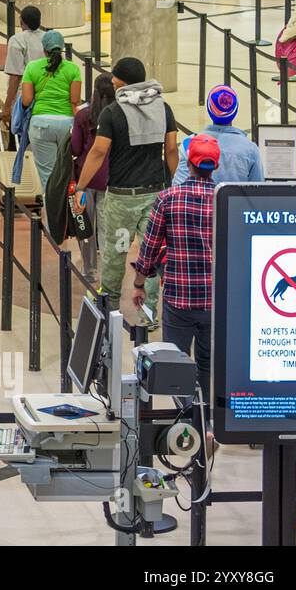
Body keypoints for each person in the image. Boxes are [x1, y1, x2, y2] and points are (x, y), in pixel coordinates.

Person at [73, 56, 179, 320]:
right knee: (151, 253)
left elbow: (98, 152)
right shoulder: (163, 109)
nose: (112, 79)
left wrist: (81, 186)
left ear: (121, 81)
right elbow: (172, 149)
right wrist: (175, 185)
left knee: (116, 251)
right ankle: (150, 314)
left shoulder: (113, 112)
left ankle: (108, 305)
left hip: (122, 198)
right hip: (156, 194)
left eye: (115, 76)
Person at [132, 133, 219, 424]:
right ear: (213, 166)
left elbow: (150, 246)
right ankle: (204, 422)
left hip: (178, 300)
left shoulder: (168, 199)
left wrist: (139, 283)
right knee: (207, 364)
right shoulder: (224, 199)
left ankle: (185, 421)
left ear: (188, 163)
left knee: (178, 363)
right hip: (214, 302)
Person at [21, 31, 82, 189]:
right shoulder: (73, 69)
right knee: (65, 174)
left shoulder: (32, 67)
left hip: (40, 124)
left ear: (44, 49)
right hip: (67, 125)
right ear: (62, 49)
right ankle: (66, 211)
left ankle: (50, 212)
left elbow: (26, 100)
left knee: (47, 176)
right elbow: (75, 101)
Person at [173, 85, 265, 186]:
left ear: (209, 109)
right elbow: (258, 191)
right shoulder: (250, 149)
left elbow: (178, 186)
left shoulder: (189, 143)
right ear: (235, 110)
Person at [71, 73, 114, 284]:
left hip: (85, 179)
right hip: (110, 180)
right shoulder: (117, 115)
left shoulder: (83, 116)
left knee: (85, 226)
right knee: (107, 228)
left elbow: (76, 148)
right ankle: (108, 271)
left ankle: (89, 270)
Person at [3, 5, 45, 120]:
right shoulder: (48, 37)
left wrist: (7, 105)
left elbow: (15, 76)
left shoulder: (17, 40)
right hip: (47, 91)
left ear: (22, 21)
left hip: (25, 95)